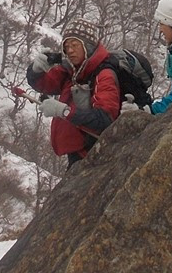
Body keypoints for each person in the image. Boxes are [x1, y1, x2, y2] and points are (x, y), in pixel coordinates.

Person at [27, 19, 122, 166]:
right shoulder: (72, 69)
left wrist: (64, 111)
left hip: (93, 154)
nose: (69, 50)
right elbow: (45, 84)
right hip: (77, 151)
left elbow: (105, 119)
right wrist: (35, 70)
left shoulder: (104, 74)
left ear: (88, 47)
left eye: (75, 45)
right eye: (66, 46)